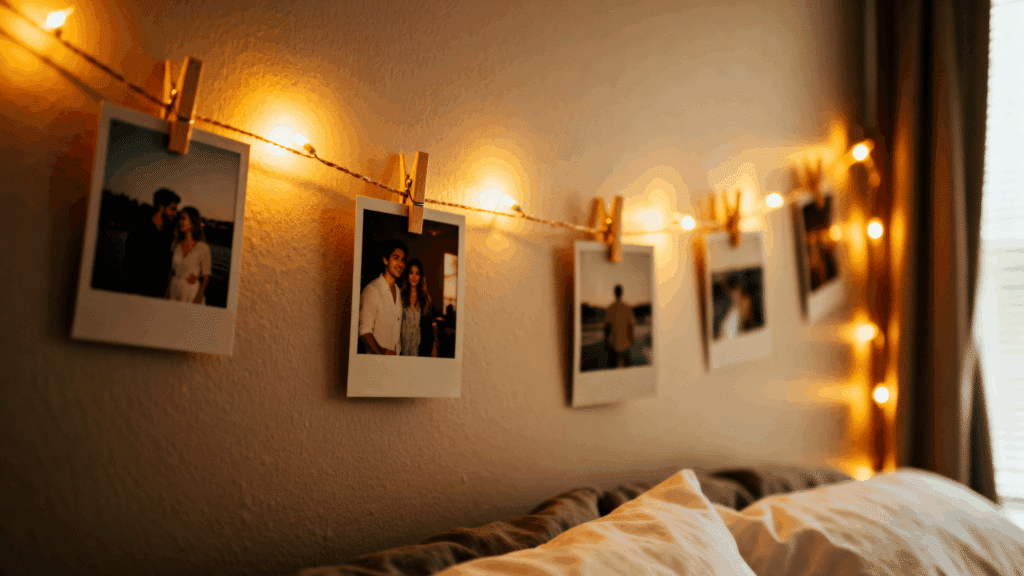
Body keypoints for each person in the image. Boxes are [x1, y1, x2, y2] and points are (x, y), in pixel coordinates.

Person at [123, 188, 179, 297]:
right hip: (138, 289)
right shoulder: (140, 227)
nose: (175, 213)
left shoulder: (169, 232)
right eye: (172, 209)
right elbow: (129, 260)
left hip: (159, 291)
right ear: (162, 207)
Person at [359, 238, 407, 355]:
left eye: (402, 260)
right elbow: (364, 332)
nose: (400, 264)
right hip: (375, 362)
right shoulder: (372, 290)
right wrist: (382, 353)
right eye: (396, 258)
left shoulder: (399, 292)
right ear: (385, 260)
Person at [166, 207, 212, 305]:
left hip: (191, 291)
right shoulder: (176, 244)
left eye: (183, 218)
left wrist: (199, 296)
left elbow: (206, 276)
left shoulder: (203, 248)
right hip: (174, 288)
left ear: (192, 222)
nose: (180, 221)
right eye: (180, 218)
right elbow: (172, 271)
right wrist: (167, 292)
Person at [399, 258, 439, 357]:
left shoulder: (425, 298)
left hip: (420, 349)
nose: (414, 277)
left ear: (420, 276)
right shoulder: (400, 296)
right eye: (411, 273)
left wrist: (434, 347)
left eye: (417, 273)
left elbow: (430, 326)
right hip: (402, 347)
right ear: (407, 275)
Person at [605, 284, 636, 368]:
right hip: (626, 343)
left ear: (614, 293)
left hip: (613, 343)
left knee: (612, 369)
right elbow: (630, 325)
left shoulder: (611, 307)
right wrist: (632, 339)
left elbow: (607, 327)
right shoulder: (627, 307)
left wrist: (606, 341)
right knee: (627, 368)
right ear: (622, 293)